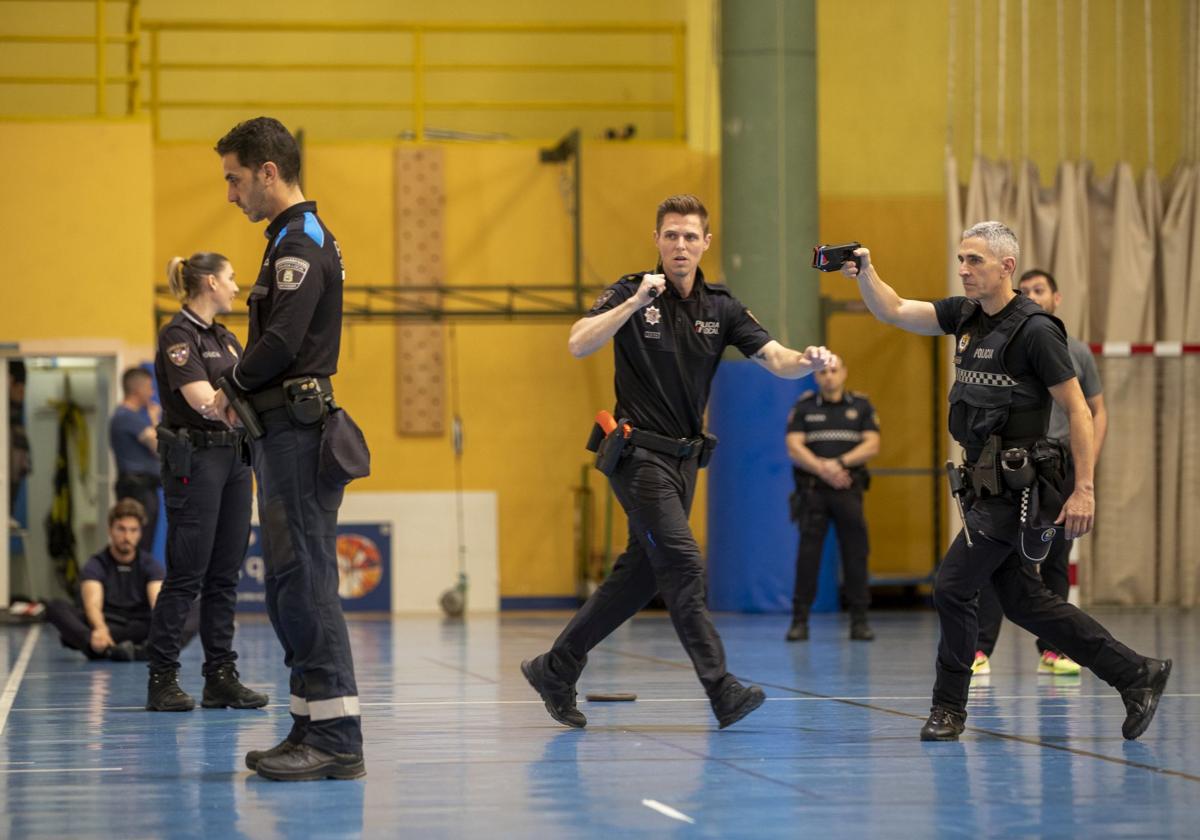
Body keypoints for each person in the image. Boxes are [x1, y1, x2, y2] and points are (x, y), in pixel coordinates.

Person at [840, 221, 1169, 741]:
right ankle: (1136, 674)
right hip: (983, 485)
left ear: (1006, 267)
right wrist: (865, 272)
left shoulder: (1036, 331)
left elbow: (1079, 410)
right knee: (1023, 601)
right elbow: (896, 309)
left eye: (975, 261)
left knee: (951, 586)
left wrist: (1084, 488)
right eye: (962, 260)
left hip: (1020, 490)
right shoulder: (965, 315)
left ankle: (948, 708)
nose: (964, 269)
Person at [521, 194, 834, 730]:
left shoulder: (721, 306)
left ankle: (557, 667)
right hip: (636, 455)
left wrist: (805, 361)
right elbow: (577, 342)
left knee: (642, 577)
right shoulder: (632, 290)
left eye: (690, 236)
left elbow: (775, 357)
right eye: (671, 236)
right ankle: (721, 689)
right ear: (657, 241)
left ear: (705, 243)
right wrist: (631, 304)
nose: (680, 245)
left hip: (685, 463)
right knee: (685, 564)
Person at [214, 116, 364, 781]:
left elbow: (279, 342)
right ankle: (311, 721)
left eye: (235, 178)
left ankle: (338, 740)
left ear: (268, 172)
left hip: (298, 434)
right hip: (279, 434)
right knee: (286, 586)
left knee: (305, 579)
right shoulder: (284, 240)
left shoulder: (301, 241)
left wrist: (229, 385)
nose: (231, 193)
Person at [144, 252, 268, 715]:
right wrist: (234, 400)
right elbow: (203, 402)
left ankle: (220, 677)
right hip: (195, 461)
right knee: (186, 575)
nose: (237, 287)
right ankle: (162, 679)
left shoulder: (226, 339)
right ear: (211, 283)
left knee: (225, 576)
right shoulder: (178, 336)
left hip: (234, 459)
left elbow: (233, 398)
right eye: (232, 279)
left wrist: (235, 401)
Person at [972, 269, 1107, 678]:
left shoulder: (1077, 351)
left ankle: (1054, 649)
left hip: (1057, 469)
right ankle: (980, 648)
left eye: (1039, 289)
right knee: (996, 552)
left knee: (1055, 557)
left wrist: (1086, 469)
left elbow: (1096, 412)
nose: (1031, 294)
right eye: (1025, 290)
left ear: (1056, 298)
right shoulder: (1008, 343)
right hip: (1013, 466)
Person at [784, 356, 881, 642]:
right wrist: (824, 469)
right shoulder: (804, 407)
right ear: (816, 376)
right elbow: (793, 447)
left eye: (833, 370)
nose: (828, 376)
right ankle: (799, 621)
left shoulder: (861, 406)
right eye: (823, 372)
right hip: (813, 492)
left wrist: (838, 462)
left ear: (844, 372)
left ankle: (859, 621)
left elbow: (872, 445)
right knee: (808, 556)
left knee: (855, 554)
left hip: (848, 490)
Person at [44, 499, 197, 661]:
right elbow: (93, 604)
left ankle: (150, 649)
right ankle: (98, 647)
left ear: (140, 533)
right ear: (110, 530)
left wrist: (164, 629)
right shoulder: (96, 564)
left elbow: (157, 603)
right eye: (121, 529)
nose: (127, 536)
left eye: (133, 530)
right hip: (108, 627)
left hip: (143, 627)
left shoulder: (149, 564)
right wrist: (100, 629)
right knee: (55, 607)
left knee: (196, 606)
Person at [110, 367, 162, 555]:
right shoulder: (126, 417)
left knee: (143, 545)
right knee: (137, 544)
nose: (152, 393)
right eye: (149, 388)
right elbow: (159, 445)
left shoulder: (130, 417)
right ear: (138, 389)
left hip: (143, 488)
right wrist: (155, 419)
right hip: (136, 490)